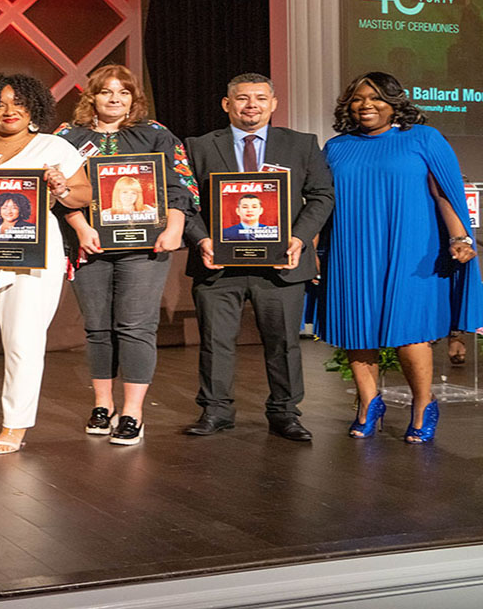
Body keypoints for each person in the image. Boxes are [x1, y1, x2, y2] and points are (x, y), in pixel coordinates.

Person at [318, 71, 480, 443]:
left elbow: (445, 194)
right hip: (352, 248)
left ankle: (423, 404)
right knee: (356, 329)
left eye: (376, 98)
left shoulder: (423, 138)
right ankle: (368, 402)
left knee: (410, 333)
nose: (366, 105)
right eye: (358, 98)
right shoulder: (337, 147)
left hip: (412, 249)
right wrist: (313, 249)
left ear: (395, 102)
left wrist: (459, 236)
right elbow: (322, 202)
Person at [0, 73, 92, 454]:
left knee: (23, 340)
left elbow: (83, 194)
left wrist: (62, 188)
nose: (9, 111)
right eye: (0, 103)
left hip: (34, 257)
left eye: (19, 102)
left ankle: (14, 425)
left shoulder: (54, 147)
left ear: (34, 107)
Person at [182, 72, 333, 442]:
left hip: (281, 265)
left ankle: (285, 413)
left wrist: (299, 238)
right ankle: (216, 411)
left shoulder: (301, 144)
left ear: (274, 103)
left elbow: (321, 196)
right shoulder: (198, 147)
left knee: (283, 343)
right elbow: (183, 203)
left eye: (261, 98)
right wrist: (202, 240)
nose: (252, 105)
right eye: (243, 98)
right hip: (217, 265)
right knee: (215, 341)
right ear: (226, 104)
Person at [56, 64, 195, 445]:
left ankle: (132, 413)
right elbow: (57, 189)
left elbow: (180, 184)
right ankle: (103, 406)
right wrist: (81, 228)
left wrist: (175, 226)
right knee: (98, 328)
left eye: (123, 92)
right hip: (88, 244)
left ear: (134, 98)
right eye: (106, 92)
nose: (115, 99)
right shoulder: (67, 137)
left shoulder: (156, 135)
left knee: (135, 327)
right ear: (92, 96)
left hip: (145, 247)